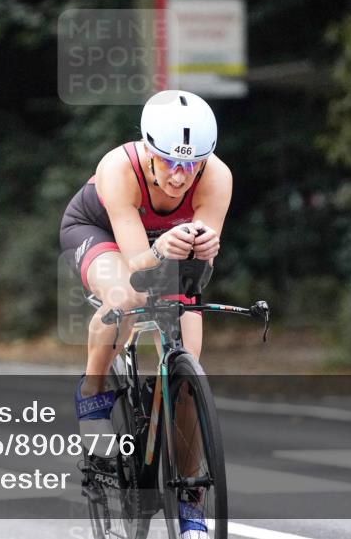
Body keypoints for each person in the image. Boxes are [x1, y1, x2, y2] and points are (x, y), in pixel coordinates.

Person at [60, 90, 232, 539]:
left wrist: (205, 250)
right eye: (170, 162)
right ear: (148, 151)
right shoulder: (119, 169)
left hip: (165, 243)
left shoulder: (217, 177)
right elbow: (138, 267)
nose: (180, 176)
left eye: (192, 164)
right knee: (126, 301)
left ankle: (190, 504)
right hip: (102, 233)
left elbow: (196, 273)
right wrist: (161, 249)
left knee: (188, 368)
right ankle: (93, 393)